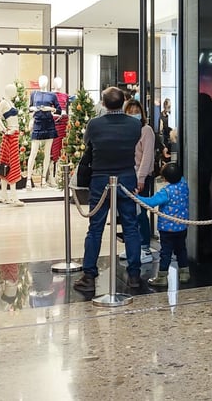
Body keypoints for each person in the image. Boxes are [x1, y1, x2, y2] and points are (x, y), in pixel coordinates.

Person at [74, 87, 143, 293]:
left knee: (95, 228)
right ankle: (134, 275)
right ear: (123, 102)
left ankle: (89, 275)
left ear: (103, 104)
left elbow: (88, 142)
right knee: (131, 227)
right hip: (127, 177)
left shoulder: (94, 124)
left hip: (100, 178)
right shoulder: (134, 124)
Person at [140, 163, 191, 287]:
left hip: (167, 229)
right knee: (181, 250)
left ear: (165, 179)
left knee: (165, 253)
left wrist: (136, 196)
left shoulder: (166, 192)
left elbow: (151, 202)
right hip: (182, 227)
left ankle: (162, 277)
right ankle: (184, 273)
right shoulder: (184, 185)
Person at [123, 99, 156, 265]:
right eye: (130, 111)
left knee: (141, 213)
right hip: (127, 175)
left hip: (141, 176)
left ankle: (145, 247)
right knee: (129, 213)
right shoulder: (125, 130)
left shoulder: (146, 130)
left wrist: (141, 177)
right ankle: (132, 246)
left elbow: (147, 156)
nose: (133, 114)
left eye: (136, 111)